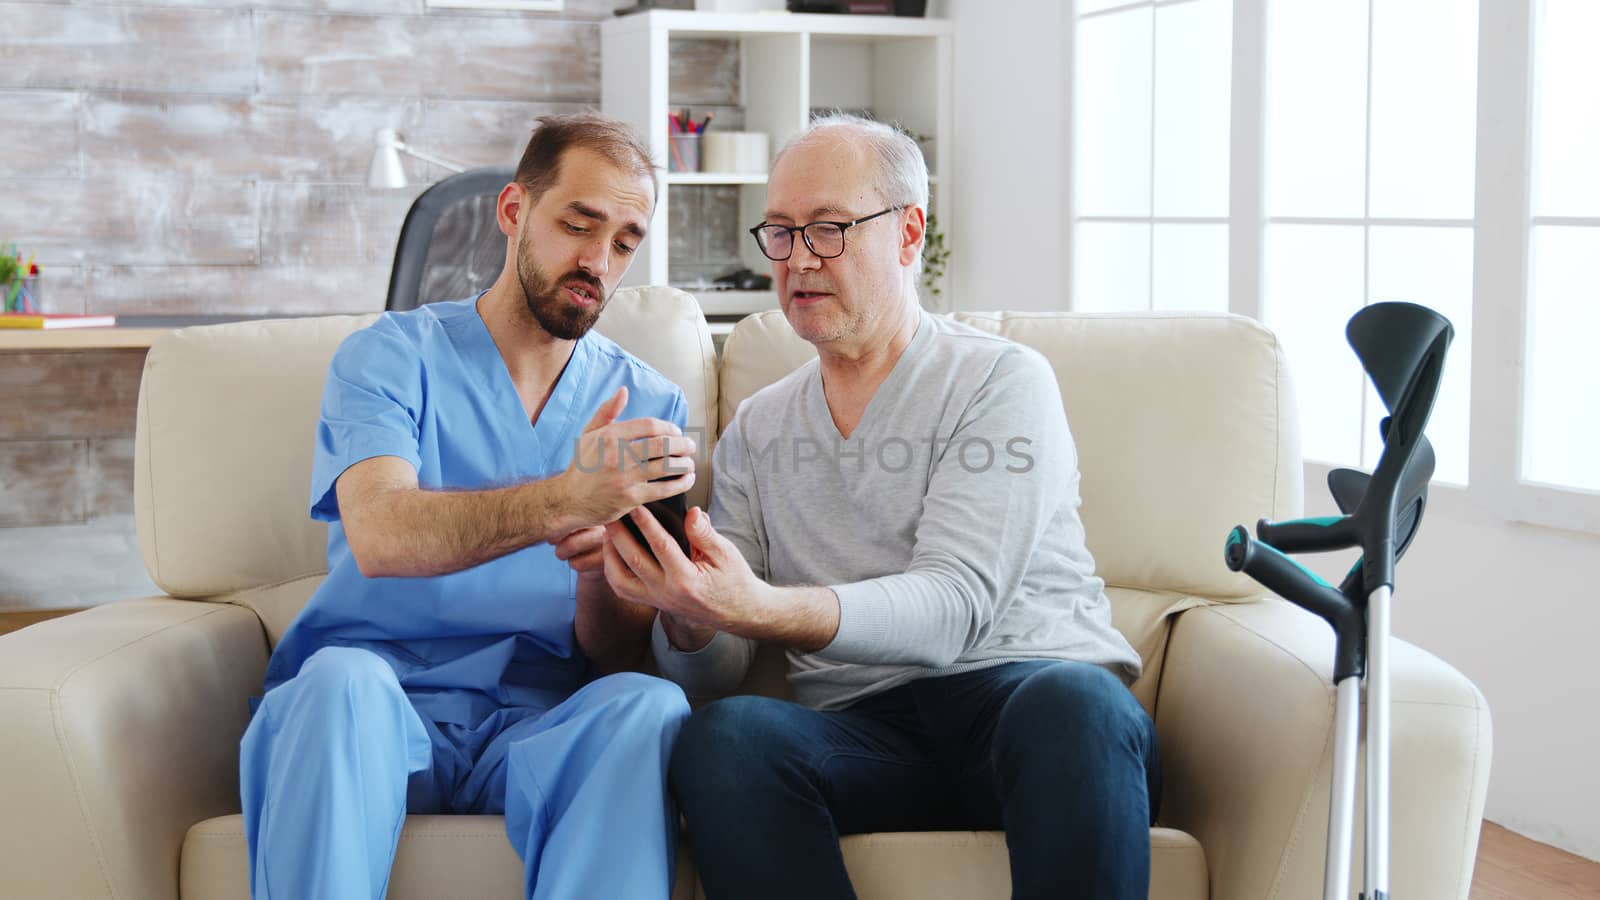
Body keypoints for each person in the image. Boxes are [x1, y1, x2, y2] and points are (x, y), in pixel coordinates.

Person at [601, 112, 1160, 900]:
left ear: (908, 234)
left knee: (1074, 702)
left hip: (1032, 710)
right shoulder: (761, 426)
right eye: (782, 232)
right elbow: (718, 670)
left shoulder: (1002, 382)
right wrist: (690, 611)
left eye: (829, 230)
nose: (798, 259)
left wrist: (758, 605)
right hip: (869, 732)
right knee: (725, 736)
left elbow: (952, 607)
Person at [240, 114, 699, 900]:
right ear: (515, 212)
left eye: (625, 241)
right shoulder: (388, 357)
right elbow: (382, 534)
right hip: (377, 707)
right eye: (577, 225)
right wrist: (565, 499)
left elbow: (617, 653)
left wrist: (602, 576)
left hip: (535, 724)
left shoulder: (649, 404)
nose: (597, 260)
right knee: (339, 685)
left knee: (646, 703)